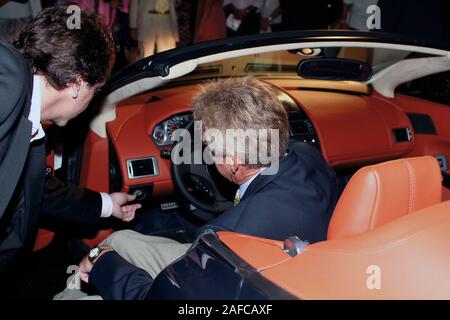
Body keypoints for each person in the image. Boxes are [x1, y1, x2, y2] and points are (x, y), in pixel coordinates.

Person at [61, 76, 338, 300]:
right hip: (285, 273)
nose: (204, 154)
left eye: (208, 149)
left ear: (233, 163)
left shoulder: (223, 239)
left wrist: (104, 264)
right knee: (121, 240)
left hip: (217, 280)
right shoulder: (308, 156)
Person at [0, 6, 141, 276]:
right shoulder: (10, 79)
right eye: (96, 90)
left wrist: (108, 204)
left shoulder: (30, 125)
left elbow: (39, 190)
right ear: (78, 84)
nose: (93, 101)